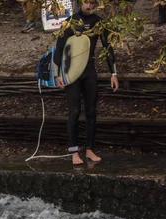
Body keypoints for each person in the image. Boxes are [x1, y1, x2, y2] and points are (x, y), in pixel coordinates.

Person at [54, 0, 119, 164]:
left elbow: (107, 47)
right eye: (86, 3)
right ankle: (74, 152)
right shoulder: (70, 22)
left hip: (89, 70)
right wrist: (57, 74)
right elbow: (59, 48)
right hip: (72, 72)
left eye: (92, 4)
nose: (88, 7)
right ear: (80, 3)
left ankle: (89, 149)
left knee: (91, 111)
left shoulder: (98, 22)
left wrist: (113, 73)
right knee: (74, 112)